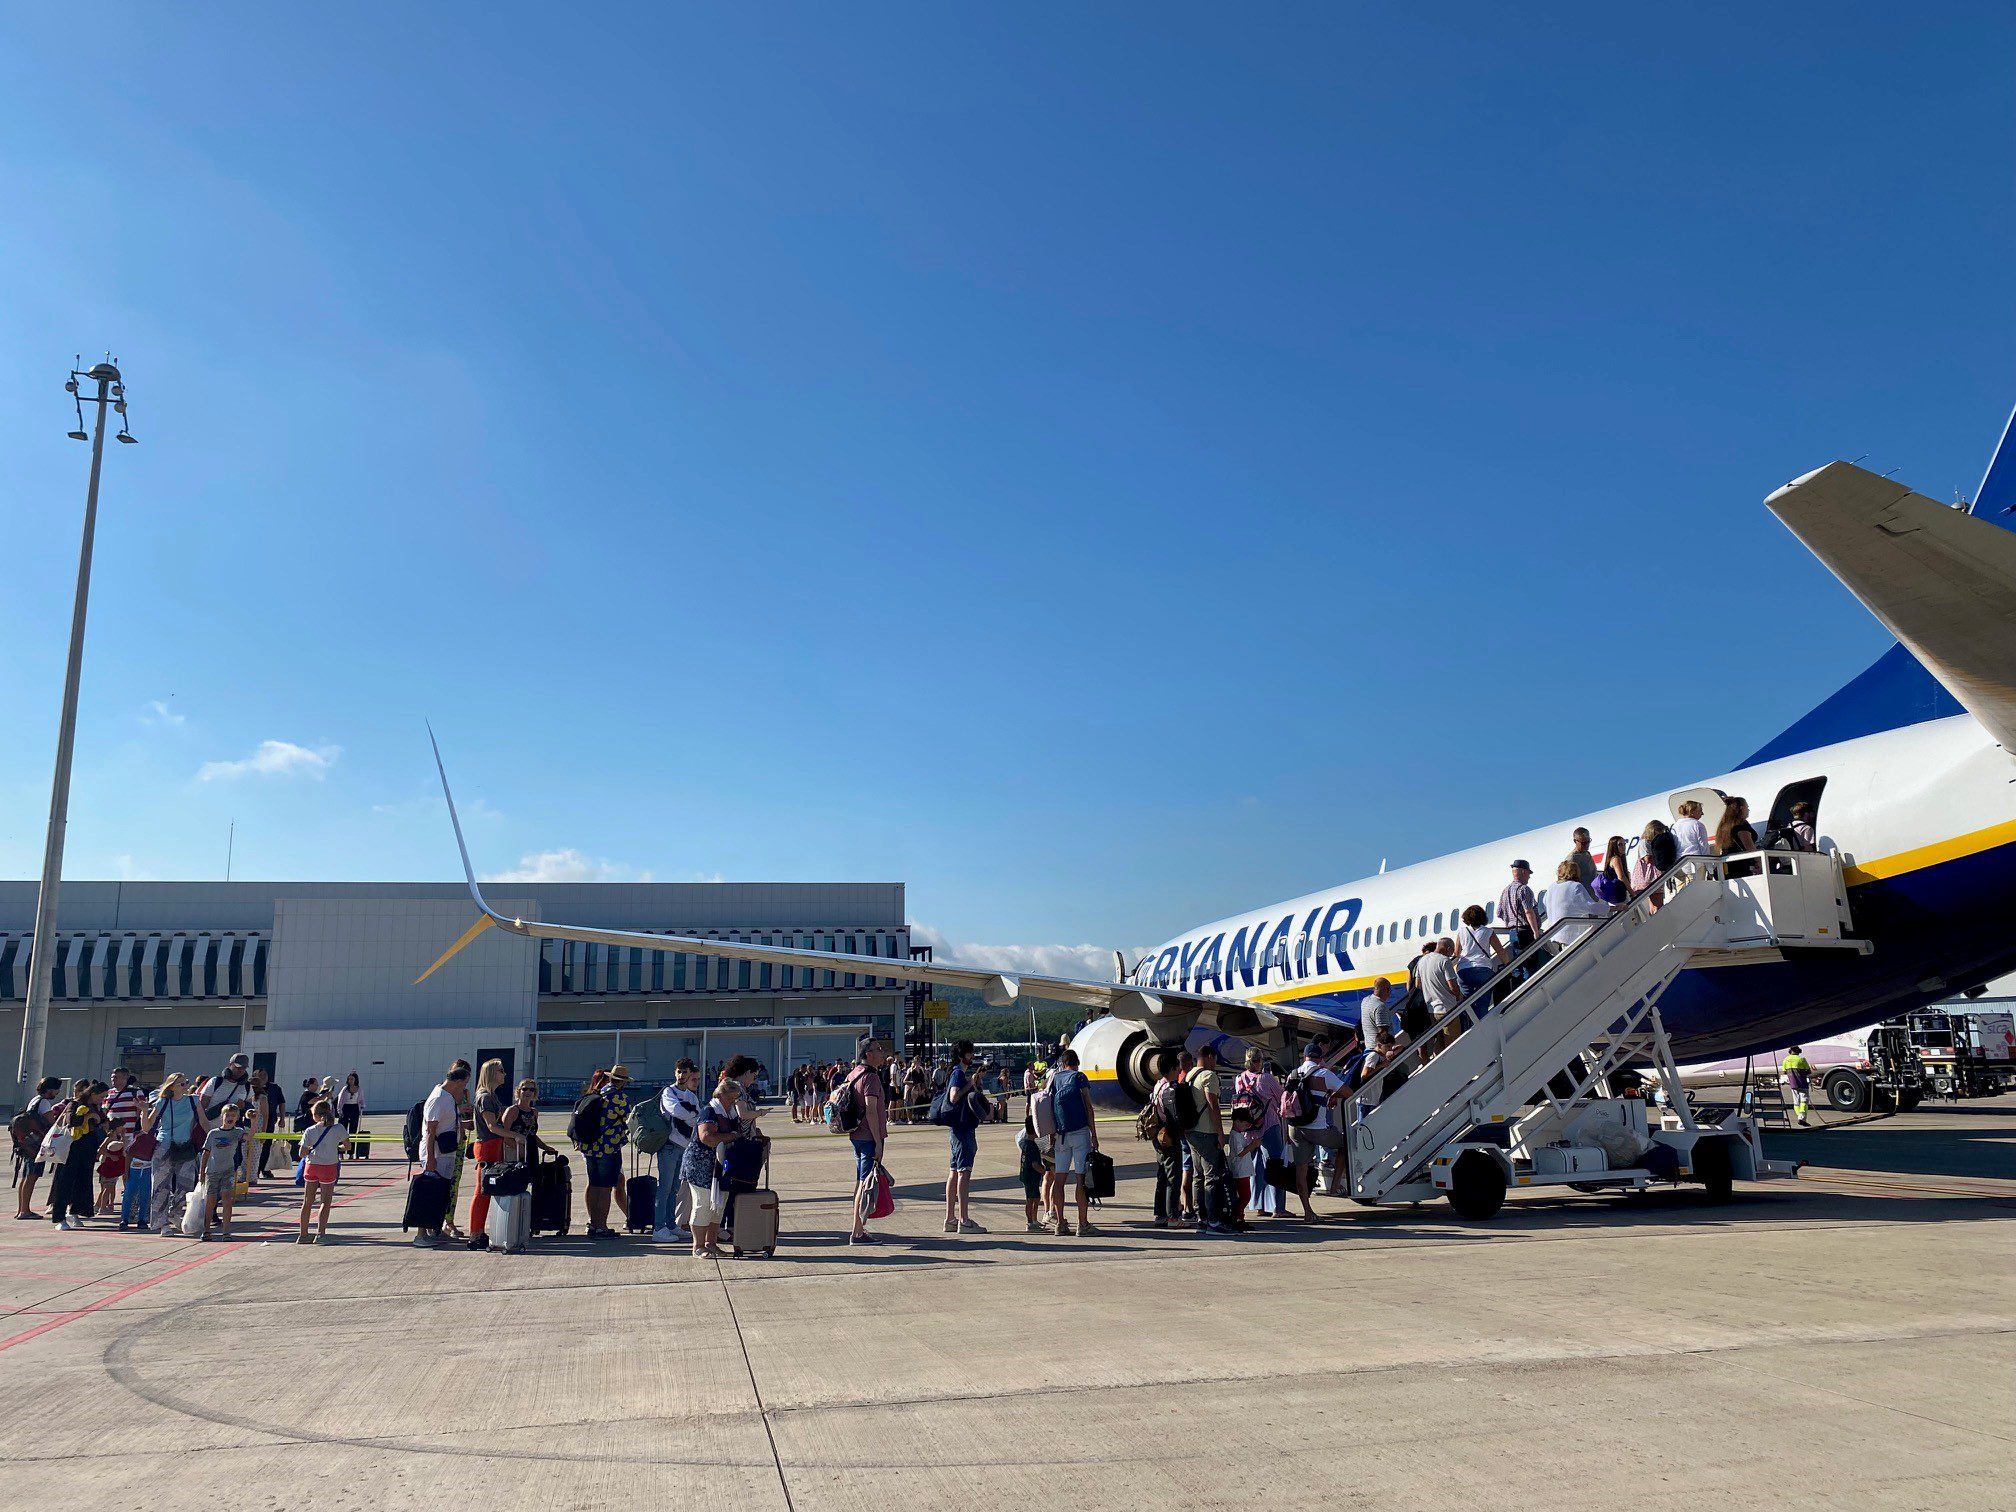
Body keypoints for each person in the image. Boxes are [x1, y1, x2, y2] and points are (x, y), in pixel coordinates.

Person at [680, 1069, 751, 1259]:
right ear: (720, 1096)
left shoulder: (729, 1113)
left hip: (719, 1167)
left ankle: (711, 1244)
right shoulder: (709, 1111)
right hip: (700, 1166)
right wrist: (732, 1137)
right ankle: (698, 1246)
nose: (733, 1102)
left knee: (718, 1205)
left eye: (735, 1099)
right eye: (731, 1098)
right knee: (703, 1204)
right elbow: (707, 1137)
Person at [1284, 1040, 1345, 1218]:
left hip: (1295, 1127)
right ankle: (1334, 1188)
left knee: (1301, 1170)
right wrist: (1332, 1095)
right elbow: (1348, 1092)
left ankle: (1308, 1212)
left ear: (1305, 1057)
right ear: (1320, 1058)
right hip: (1317, 1128)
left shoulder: (1292, 1074)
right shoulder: (1324, 1073)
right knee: (1345, 1145)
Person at [414, 1061, 468, 1248]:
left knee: (440, 1195)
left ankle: (435, 1230)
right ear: (458, 1082)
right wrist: (430, 1158)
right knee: (429, 1193)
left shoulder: (448, 1097)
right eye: (464, 1083)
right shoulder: (438, 1098)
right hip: (436, 1154)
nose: (464, 1088)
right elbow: (430, 1130)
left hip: (446, 1153)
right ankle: (421, 1234)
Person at [580, 1065, 636, 1241]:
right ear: (623, 1082)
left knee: (594, 1185)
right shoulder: (619, 1098)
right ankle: (601, 1227)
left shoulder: (596, 1094)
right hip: (609, 1147)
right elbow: (630, 1120)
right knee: (605, 1188)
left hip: (590, 1147)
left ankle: (593, 1224)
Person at [145, 1072, 205, 1237]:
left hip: (185, 1146)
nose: (186, 1086)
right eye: (181, 1084)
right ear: (172, 1087)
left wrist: (211, 1140)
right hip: (164, 1146)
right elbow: (147, 1127)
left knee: (186, 1184)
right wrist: (143, 1111)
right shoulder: (162, 1102)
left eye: (186, 1082)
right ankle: (162, 1224)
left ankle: (174, 1212)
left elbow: (204, 1122)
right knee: (161, 1186)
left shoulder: (193, 1100)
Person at [1047, 1048, 1099, 1236]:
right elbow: (1088, 1107)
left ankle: (1060, 1223)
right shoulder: (1079, 1077)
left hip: (1061, 1135)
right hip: (1079, 1133)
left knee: (1059, 1179)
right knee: (1080, 1179)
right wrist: (1094, 1135)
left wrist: (1051, 1133)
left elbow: (1048, 1107)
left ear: (1063, 1063)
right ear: (1077, 1063)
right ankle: (1082, 1224)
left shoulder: (1054, 1078)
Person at [843, 1038, 891, 1245]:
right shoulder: (871, 1077)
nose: (882, 1052)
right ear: (868, 1054)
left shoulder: (854, 1073)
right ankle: (857, 1232)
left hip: (856, 1135)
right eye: (878, 1049)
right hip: (869, 1137)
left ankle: (858, 1228)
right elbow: (871, 1110)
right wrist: (878, 1142)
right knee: (865, 1184)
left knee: (860, 1182)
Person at [1181, 1044, 1231, 1233]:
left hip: (1191, 1132)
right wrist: (1220, 1133)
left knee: (1198, 1176)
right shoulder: (1209, 1076)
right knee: (1211, 1176)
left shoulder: (1189, 1075)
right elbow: (1213, 1105)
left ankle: (1201, 1219)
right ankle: (1213, 1220)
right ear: (1210, 1056)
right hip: (1206, 1132)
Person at [465, 1058, 513, 1250]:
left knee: (488, 1189)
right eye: (501, 1071)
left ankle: (480, 1230)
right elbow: (492, 1126)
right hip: (487, 1146)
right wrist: (514, 1135)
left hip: (494, 1145)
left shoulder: (491, 1096)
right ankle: (475, 1232)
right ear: (492, 1073)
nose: (504, 1074)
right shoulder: (485, 1097)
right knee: (482, 1191)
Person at [1233, 1049, 1286, 1218]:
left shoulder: (1239, 1079)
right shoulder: (1266, 1078)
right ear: (1259, 1061)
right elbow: (1282, 1096)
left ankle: (1259, 1205)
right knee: (1275, 1164)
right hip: (1268, 1124)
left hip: (1249, 1129)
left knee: (1256, 1167)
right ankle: (1278, 1207)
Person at [654, 1059, 703, 1242]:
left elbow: (697, 1119)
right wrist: (690, 1114)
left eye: (685, 1072)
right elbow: (676, 1111)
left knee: (674, 1189)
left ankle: (671, 1225)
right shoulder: (669, 1092)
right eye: (679, 1072)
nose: (681, 1075)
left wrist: (689, 1115)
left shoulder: (691, 1096)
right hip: (668, 1146)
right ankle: (659, 1228)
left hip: (684, 1147)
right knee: (664, 1189)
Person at [941, 1039, 987, 1234]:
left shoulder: (956, 1072)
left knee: (954, 1172)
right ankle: (964, 1220)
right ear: (962, 1055)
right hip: (963, 1129)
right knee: (963, 1173)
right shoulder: (958, 1073)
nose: (972, 1056)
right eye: (969, 1053)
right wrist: (971, 1083)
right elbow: (954, 1096)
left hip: (956, 1130)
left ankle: (950, 1218)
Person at [50, 1082, 108, 1230]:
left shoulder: (96, 1107)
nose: (102, 1099)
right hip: (71, 1148)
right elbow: (72, 1121)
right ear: (93, 1094)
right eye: (101, 1096)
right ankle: (59, 1217)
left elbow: (103, 1120)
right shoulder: (74, 1104)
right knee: (64, 1182)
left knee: (82, 1181)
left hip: (88, 1149)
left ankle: (74, 1212)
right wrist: (88, 1116)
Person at [295, 1098, 348, 1244]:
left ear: (316, 1116)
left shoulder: (310, 1130)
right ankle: (321, 1234)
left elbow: (301, 1153)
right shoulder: (338, 1128)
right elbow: (348, 1146)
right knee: (325, 1201)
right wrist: (337, 1148)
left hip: (312, 1166)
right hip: (329, 1166)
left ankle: (303, 1234)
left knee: (307, 1201)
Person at [14, 1074, 65, 1220]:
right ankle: (25, 1211)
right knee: (32, 1176)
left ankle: (22, 1209)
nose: (57, 1093)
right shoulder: (44, 1103)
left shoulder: (35, 1100)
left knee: (26, 1177)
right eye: (56, 1090)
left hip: (27, 1143)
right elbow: (52, 1123)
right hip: (36, 1145)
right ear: (50, 1089)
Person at [197, 1104, 247, 1240]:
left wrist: (253, 1121)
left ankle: (226, 1232)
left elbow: (249, 1137)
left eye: (233, 1116)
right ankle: (206, 1230)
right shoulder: (213, 1133)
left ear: (237, 1118)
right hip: (212, 1171)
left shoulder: (237, 1132)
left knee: (227, 1199)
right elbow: (206, 1153)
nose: (230, 1118)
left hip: (228, 1171)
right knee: (211, 1200)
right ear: (221, 1117)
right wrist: (202, 1172)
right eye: (227, 1115)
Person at [1146, 1060, 1186, 1227]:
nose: (1179, 1071)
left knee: (1162, 1175)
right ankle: (1173, 1217)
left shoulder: (1157, 1085)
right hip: (1169, 1135)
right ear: (1172, 1069)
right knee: (1173, 1176)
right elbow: (1173, 1115)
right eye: (1177, 1068)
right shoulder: (1170, 1088)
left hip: (1158, 1135)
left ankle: (1160, 1215)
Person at [1540, 859, 1609, 950]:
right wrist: (1613, 908)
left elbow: (1545, 906)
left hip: (1554, 935)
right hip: (1571, 938)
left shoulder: (1551, 887)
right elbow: (1590, 906)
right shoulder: (1575, 886)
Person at [1455, 904, 1508, 1003]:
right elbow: (1500, 951)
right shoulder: (1488, 931)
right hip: (1482, 969)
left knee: (1467, 1005)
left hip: (1463, 970)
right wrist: (1508, 966)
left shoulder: (1462, 932)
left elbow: (1457, 952)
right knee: (1482, 1004)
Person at [1498, 861, 1543, 965]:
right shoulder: (1524, 889)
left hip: (1513, 933)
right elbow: (1528, 911)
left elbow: (1499, 913)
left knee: (1518, 965)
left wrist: (1512, 919)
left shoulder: (1505, 891)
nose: (1529, 877)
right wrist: (1535, 932)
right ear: (1523, 872)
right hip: (1525, 932)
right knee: (1530, 965)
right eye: (1528, 873)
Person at [1224, 1104, 1260, 1226]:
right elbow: (1240, 1153)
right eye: (1245, 1124)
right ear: (1237, 1121)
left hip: (1243, 1170)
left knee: (1243, 1195)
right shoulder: (1236, 1136)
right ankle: (1238, 1215)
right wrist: (1253, 1145)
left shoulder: (1238, 1134)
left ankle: (1239, 1216)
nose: (1247, 1127)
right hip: (1240, 1171)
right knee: (1245, 1196)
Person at [1016, 1111, 1051, 1232]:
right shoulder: (1032, 1146)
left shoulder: (1026, 1143)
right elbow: (1034, 1164)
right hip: (1031, 1176)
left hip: (1028, 1176)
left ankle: (1034, 1220)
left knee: (1035, 1198)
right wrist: (1044, 1171)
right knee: (1031, 1199)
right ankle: (1030, 1222)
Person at [1632, 819, 1678, 896]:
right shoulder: (1645, 842)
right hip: (1650, 875)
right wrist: (1661, 859)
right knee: (1657, 899)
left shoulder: (1651, 842)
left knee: (1658, 898)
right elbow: (1647, 859)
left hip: (1654, 875)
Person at [1360, 977, 1401, 1047]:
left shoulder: (1365, 1000)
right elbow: (1383, 1034)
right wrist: (1389, 1048)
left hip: (1369, 1045)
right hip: (1379, 1049)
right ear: (1386, 990)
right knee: (1401, 1048)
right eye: (1389, 990)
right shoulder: (1380, 1006)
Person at [1591, 836, 1632, 906]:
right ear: (1614, 846)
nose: (1623, 847)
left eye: (1624, 844)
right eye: (1620, 845)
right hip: (1617, 893)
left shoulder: (1615, 858)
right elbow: (1621, 877)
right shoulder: (1616, 859)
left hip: (1616, 894)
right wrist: (1631, 892)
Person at [1782, 1046, 1814, 1126]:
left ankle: (1800, 1116)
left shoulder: (1786, 1060)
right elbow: (1809, 1071)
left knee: (1796, 1102)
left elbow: (1784, 1072)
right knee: (1804, 1101)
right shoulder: (1801, 1059)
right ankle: (1801, 1118)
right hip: (1802, 1083)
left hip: (1793, 1084)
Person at [336, 1072, 365, 1157]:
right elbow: (340, 1099)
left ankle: (351, 1152)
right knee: (342, 1130)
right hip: (345, 1108)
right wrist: (339, 1110)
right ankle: (341, 1152)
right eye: (349, 1079)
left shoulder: (359, 1089)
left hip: (354, 1108)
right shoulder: (345, 1089)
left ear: (355, 1080)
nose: (350, 1081)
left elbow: (361, 1099)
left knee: (353, 1130)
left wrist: (362, 1106)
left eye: (352, 1079)